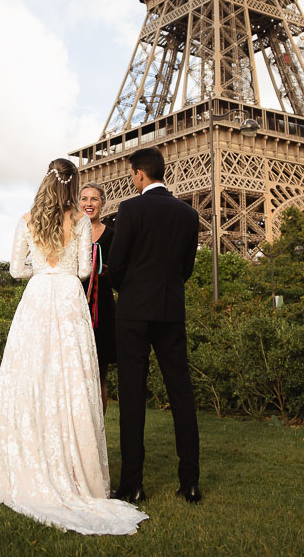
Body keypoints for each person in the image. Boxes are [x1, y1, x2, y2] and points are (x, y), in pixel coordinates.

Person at [0, 158, 148, 536]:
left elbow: (15, 270)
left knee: (31, 376)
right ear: (74, 187)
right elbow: (87, 270)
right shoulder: (82, 221)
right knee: (72, 378)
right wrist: (64, 270)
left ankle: (30, 454)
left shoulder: (27, 220)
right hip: (70, 298)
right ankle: (75, 467)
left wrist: (42, 270)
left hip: (38, 296)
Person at [109, 146, 201, 504]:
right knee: (182, 394)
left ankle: (133, 484)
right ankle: (190, 481)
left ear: (139, 174)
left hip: (133, 312)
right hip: (171, 310)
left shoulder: (130, 209)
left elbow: (115, 264)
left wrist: (128, 291)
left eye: (132, 174)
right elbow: (187, 268)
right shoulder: (188, 214)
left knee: (132, 396)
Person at [79, 182, 115, 414]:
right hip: (75, 301)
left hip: (101, 304)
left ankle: (98, 431)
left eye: (94, 199)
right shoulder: (70, 233)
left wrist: (104, 269)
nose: (89, 204)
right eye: (84, 199)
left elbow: (120, 269)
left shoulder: (113, 234)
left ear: (102, 203)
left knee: (99, 371)